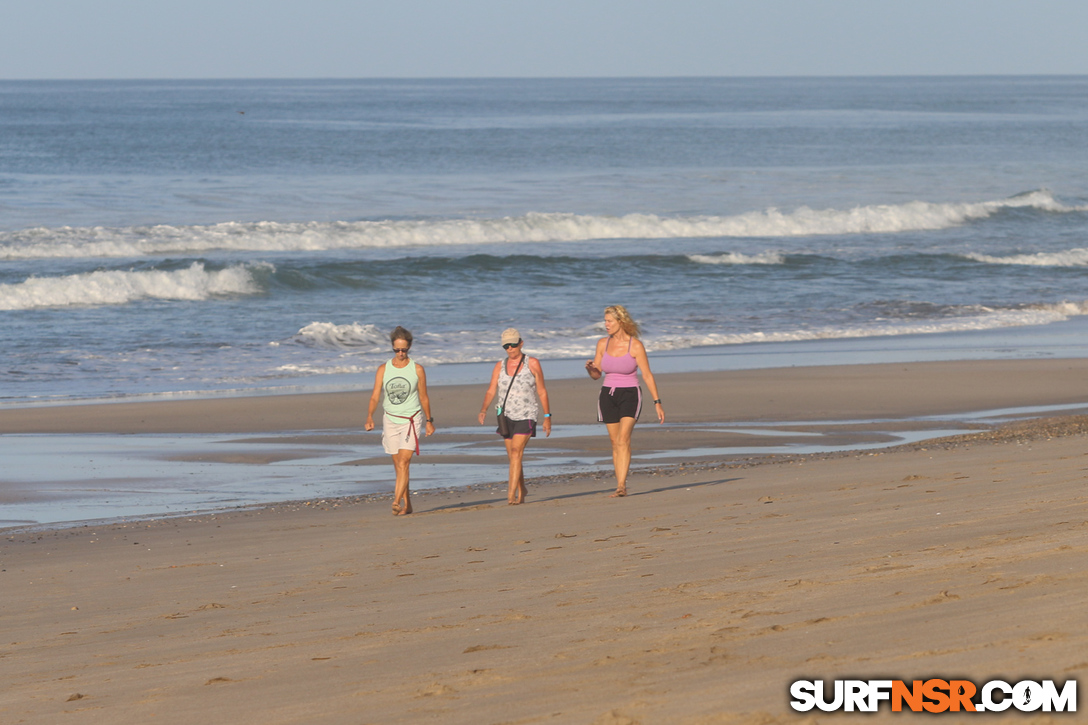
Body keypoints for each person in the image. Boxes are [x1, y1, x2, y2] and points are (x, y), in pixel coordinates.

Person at [585, 305, 664, 497]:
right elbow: (597, 375)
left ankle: (621, 486)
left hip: (630, 394)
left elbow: (647, 375)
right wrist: (590, 369)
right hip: (607, 395)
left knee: (623, 439)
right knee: (614, 441)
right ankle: (619, 484)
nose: (606, 325)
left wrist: (657, 402)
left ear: (621, 322)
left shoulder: (635, 345)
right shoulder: (602, 344)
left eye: (609, 321)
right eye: (605, 321)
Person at [365, 326, 435, 515]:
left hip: (411, 420)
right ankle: (408, 504)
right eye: (397, 350)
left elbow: (424, 397)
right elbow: (374, 396)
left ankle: (396, 501)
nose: (401, 353)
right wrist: (370, 416)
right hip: (390, 420)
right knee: (398, 465)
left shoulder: (417, 369)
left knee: (404, 462)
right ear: (393, 348)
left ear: (409, 347)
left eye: (404, 350)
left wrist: (429, 421)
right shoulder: (383, 369)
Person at [478, 328, 552, 505]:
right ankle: (522, 489)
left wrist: (547, 416)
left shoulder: (532, 363)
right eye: (506, 346)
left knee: (516, 451)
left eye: (513, 344)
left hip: (527, 414)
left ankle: (511, 496)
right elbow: (491, 390)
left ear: (521, 343)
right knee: (513, 458)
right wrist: (483, 409)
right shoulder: (499, 366)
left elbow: (541, 390)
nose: (510, 349)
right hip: (505, 415)